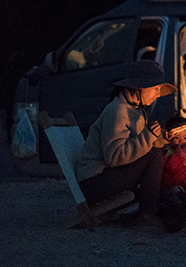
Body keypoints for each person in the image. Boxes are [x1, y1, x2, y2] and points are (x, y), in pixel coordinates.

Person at [75, 60, 176, 227]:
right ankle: (147, 215)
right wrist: (148, 136)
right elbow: (115, 157)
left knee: (157, 154)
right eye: (155, 88)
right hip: (94, 184)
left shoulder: (136, 110)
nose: (158, 94)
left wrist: (161, 138)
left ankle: (151, 210)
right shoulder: (118, 110)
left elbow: (137, 148)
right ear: (139, 87)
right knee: (154, 156)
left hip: (107, 177)